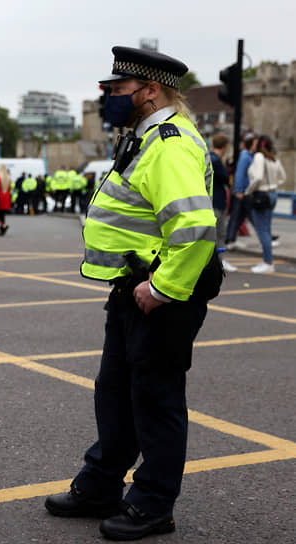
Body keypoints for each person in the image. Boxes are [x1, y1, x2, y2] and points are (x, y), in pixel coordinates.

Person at [44, 46, 219, 541]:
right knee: (115, 392)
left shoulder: (168, 143)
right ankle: (101, 483)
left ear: (149, 91)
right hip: (133, 286)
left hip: (161, 291)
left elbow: (195, 224)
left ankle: (152, 504)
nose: (108, 99)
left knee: (156, 397)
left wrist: (162, 289)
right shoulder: (142, 138)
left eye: (117, 91)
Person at [246, 134, 286, 273]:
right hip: (272, 194)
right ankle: (268, 261)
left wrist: (248, 190)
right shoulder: (274, 158)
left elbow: (257, 178)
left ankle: (268, 262)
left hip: (261, 195)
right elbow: (284, 177)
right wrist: (274, 185)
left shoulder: (259, 157)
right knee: (267, 229)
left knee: (262, 230)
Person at [209, 133, 236, 272]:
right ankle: (219, 262)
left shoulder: (208, 157)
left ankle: (216, 261)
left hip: (211, 200)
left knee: (214, 234)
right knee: (219, 234)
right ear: (225, 146)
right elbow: (226, 179)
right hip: (217, 201)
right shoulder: (216, 161)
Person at [225, 132, 257, 250]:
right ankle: (229, 239)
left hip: (244, 192)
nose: (256, 145)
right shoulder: (245, 155)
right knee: (239, 216)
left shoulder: (248, 155)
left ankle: (231, 239)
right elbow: (239, 174)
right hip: (242, 192)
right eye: (254, 143)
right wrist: (238, 190)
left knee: (239, 217)